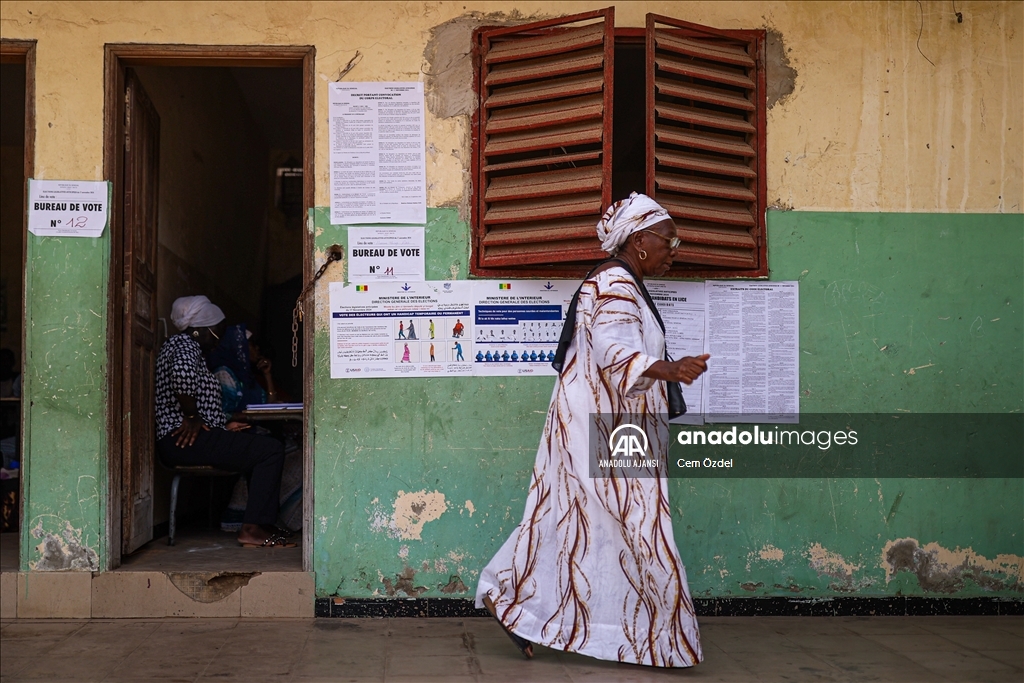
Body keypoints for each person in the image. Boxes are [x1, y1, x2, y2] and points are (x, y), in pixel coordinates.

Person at [475, 193, 710, 667]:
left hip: (608, 424)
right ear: (640, 241)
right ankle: (662, 641)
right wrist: (667, 368)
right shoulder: (615, 284)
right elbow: (611, 346)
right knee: (640, 527)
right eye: (669, 239)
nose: (674, 249)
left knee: (569, 520)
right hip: (609, 429)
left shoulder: (620, 282)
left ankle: (510, 598)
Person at [155, 295, 294, 548]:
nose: (220, 336)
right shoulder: (185, 345)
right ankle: (251, 529)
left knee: (259, 444)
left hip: (190, 438)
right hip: (183, 440)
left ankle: (261, 524)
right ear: (201, 330)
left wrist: (222, 423)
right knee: (270, 450)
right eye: (217, 330)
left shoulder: (183, 346)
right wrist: (192, 416)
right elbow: (181, 378)